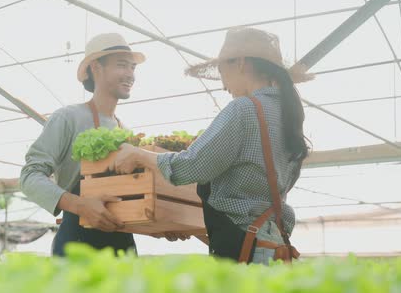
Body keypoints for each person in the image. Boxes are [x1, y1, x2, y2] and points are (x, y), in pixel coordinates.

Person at [111, 27, 314, 264]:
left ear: (240, 64)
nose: (223, 85)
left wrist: (138, 155)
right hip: (270, 241)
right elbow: (248, 199)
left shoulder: (244, 109)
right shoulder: (286, 115)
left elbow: (190, 166)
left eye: (222, 71)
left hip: (246, 248)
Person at [20, 33, 145, 256]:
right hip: (78, 239)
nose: (130, 74)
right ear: (96, 68)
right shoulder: (68, 118)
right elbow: (30, 177)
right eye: (121, 65)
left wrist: (162, 221)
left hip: (122, 241)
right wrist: (80, 205)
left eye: (133, 68)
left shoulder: (126, 133)